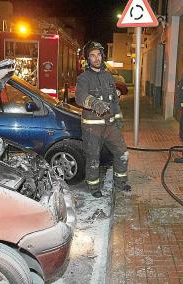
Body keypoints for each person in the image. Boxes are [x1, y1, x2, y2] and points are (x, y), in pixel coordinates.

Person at [75, 41, 131, 198]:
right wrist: (94, 103)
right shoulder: (84, 78)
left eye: (98, 54)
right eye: (92, 55)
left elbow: (114, 101)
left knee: (122, 153)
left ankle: (120, 183)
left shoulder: (108, 76)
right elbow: (80, 98)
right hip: (92, 128)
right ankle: (93, 187)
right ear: (88, 59)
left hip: (109, 126)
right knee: (93, 158)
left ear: (102, 56)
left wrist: (118, 118)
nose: (96, 58)